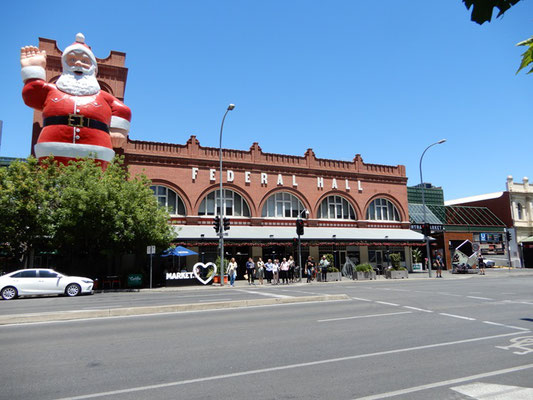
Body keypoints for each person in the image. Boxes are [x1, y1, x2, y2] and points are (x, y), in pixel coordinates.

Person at [20, 33, 131, 168]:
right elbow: (31, 97)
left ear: (94, 69)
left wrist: (118, 130)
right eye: (71, 60)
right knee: (52, 180)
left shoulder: (103, 97)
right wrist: (33, 71)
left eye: (84, 61)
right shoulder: (51, 91)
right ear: (64, 65)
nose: (78, 63)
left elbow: (123, 110)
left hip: (96, 150)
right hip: (53, 147)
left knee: (91, 182)